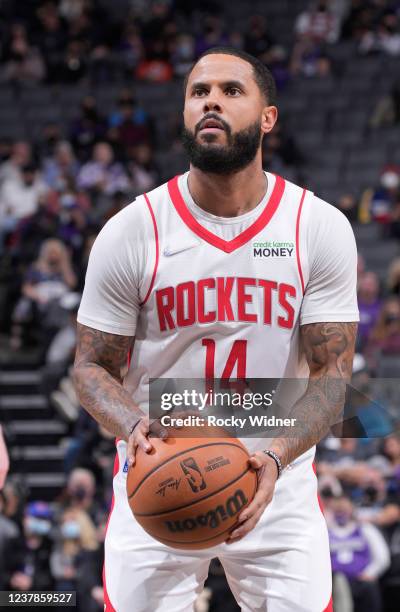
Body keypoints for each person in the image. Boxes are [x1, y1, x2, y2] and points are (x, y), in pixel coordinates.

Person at [74, 47, 359, 611]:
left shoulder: (316, 226)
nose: (211, 102)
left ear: (267, 117)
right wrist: (133, 427)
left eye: (231, 91)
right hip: (160, 470)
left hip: (277, 472)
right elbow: (89, 367)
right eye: (198, 92)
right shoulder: (132, 230)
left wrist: (275, 458)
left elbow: (333, 374)